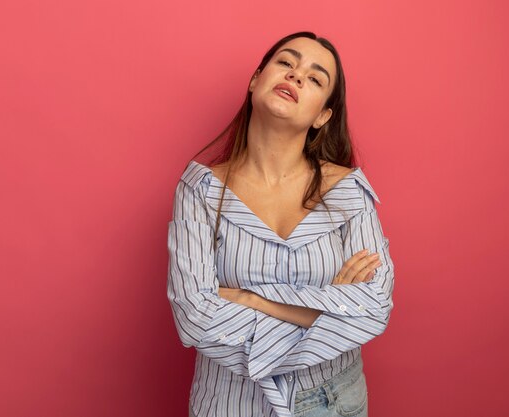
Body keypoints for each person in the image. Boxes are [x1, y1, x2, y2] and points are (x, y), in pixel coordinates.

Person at [167, 31, 395, 417]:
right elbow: (195, 318)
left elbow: (372, 309)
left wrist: (250, 298)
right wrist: (324, 310)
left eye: (315, 77)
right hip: (228, 404)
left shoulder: (348, 193)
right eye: (286, 63)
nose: (296, 76)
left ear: (324, 115)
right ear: (256, 79)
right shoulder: (199, 190)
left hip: (332, 402)